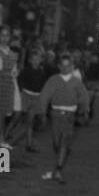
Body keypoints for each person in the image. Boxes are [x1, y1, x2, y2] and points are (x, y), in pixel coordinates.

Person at [39, 52, 89, 183]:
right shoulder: (53, 80)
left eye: (69, 66)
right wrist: (43, 113)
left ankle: (58, 170)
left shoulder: (76, 82)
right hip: (56, 114)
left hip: (69, 115)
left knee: (64, 141)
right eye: (63, 66)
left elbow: (83, 96)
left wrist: (84, 110)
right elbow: (45, 96)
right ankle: (60, 158)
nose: (66, 69)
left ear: (73, 67)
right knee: (56, 142)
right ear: (59, 66)